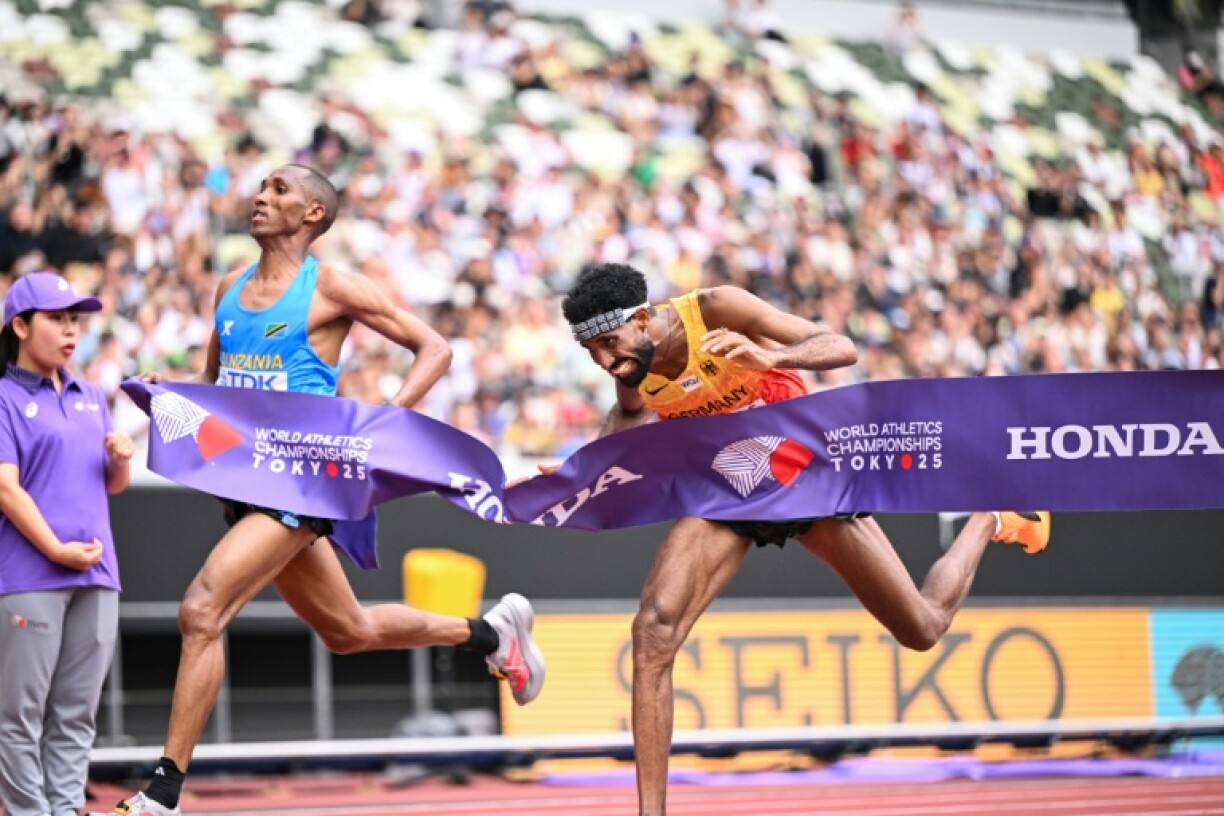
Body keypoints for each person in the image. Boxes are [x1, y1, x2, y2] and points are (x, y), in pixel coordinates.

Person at [96, 165, 544, 816]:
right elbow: (215, 390)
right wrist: (167, 391)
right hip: (245, 486)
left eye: (279, 190)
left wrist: (384, 421)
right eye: (260, 188)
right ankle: (489, 634)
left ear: (311, 215)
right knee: (349, 630)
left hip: (303, 486)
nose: (260, 197)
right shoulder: (228, 289)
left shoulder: (331, 286)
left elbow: (435, 349)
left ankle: (164, 792)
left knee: (201, 611)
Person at [558, 262, 1049, 816]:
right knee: (652, 633)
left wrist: (771, 357)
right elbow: (622, 428)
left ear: (643, 319)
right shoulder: (632, 366)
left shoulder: (715, 309)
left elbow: (839, 346)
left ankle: (987, 517)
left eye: (609, 344)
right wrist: (565, 480)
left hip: (805, 476)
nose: (604, 362)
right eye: (591, 352)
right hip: (728, 491)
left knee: (923, 628)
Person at [0, 272, 135, 816]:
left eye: (75, 320)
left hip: (98, 574)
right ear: (20, 326)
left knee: (77, 713)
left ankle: (64, 809)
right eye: (57, 319)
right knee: (18, 717)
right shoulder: (4, 397)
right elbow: (4, 487)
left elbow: (111, 484)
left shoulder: (89, 394)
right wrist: (55, 549)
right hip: (30, 576)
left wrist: (122, 457)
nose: (71, 330)